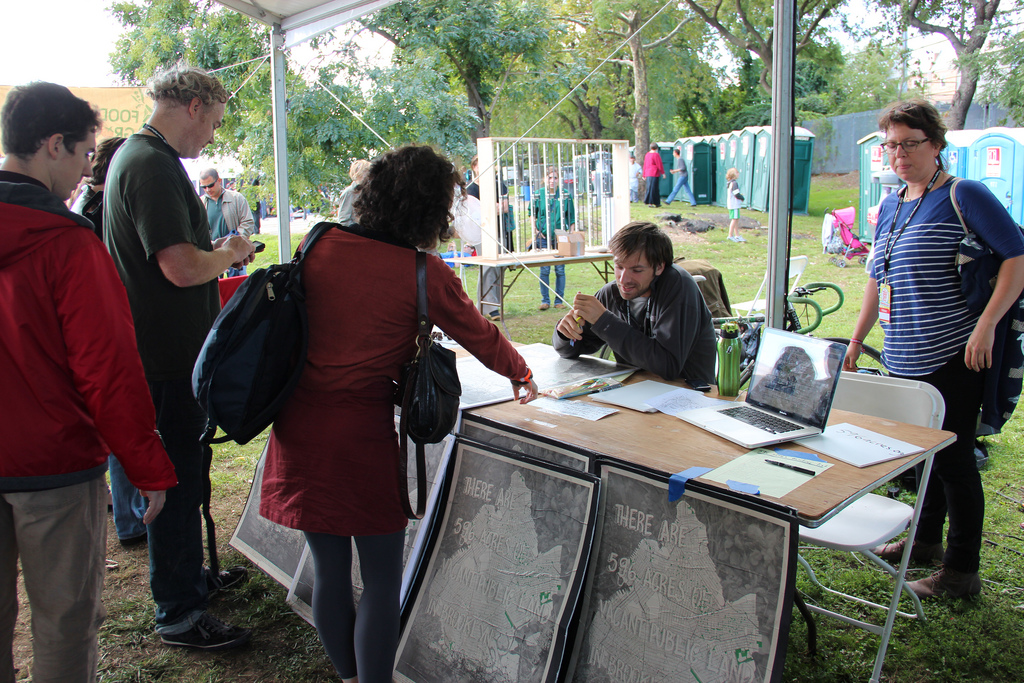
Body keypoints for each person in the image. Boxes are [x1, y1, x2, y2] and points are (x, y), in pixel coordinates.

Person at [259, 145, 538, 683]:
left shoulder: (318, 242)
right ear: (432, 209)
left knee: (330, 571)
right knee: (383, 580)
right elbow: (477, 333)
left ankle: (346, 676)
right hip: (359, 439)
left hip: (297, 427)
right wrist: (520, 372)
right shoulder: (422, 271)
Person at [1, 82, 176, 682]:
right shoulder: (69, 244)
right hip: (53, 467)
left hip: (41, 460)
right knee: (65, 624)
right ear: (53, 146)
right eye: (81, 155)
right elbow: (108, 369)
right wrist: (148, 467)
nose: (83, 172)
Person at [845, 99, 1024, 599]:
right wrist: (857, 340)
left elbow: (1016, 257)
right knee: (920, 456)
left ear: (936, 145)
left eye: (910, 143)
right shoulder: (892, 204)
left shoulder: (964, 194)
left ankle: (961, 572)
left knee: (955, 460)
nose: (899, 154)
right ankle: (924, 541)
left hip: (955, 352)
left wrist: (986, 325)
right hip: (902, 354)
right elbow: (874, 281)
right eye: (891, 145)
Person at [104, 63, 256, 650]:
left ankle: (189, 580)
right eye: (214, 122)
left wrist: (207, 252)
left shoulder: (141, 159)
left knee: (184, 478)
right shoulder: (151, 165)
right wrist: (232, 251)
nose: (212, 136)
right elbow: (179, 266)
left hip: (165, 354)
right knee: (175, 484)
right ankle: (180, 611)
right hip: (166, 360)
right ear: (193, 107)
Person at [68, 135, 150, 547]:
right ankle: (132, 518)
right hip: (111, 330)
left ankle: (130, 516)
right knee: (121, 425)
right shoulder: (93, 210)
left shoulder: (87, 204)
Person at [553, 221, 717, 384]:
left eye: (637, 270)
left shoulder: (679, 287)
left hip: (690, 397)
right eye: (619, 266)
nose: (624, 279)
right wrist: (565, 333)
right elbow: (574, 350)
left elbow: (667, 365)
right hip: (633, 394)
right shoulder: (612, 293)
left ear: (659, 267)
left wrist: (604, 322)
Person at [467, 155, 511, 321]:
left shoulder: (499, 185)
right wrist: (493, 208)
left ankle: (494, 305)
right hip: (482, 235)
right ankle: (487, 307)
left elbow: (505, 207)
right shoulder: (470, 189)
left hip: (500, 231)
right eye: (480, 165)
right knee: (487, 269)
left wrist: (490, 209)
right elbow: (475, 213)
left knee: (499, 268)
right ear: (474, 167)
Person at [531, 165, 576, 310]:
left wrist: (570, 234)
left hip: (560, 237)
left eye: (555, 178)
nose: (552, 180)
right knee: (544, 269)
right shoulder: (539, 194)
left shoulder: (565, 195)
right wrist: (536, 230)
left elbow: (571, 217)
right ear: (545, 179)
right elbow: (533, 214)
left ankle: (559, 301)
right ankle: (545, 300)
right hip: (543, 236)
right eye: (550, 177)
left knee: (560, 270)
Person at [199, 167, 255, 277]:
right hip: (213, 255)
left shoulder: (236, 198)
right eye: (203, 187)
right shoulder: (200, 203)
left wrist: (237, 239)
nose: (207, 189)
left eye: (210, 185)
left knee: (237, 287)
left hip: (235, 253)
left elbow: (248, 222)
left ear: (219, 181)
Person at [335, 158, 370, 225]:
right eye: (366, 171)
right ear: (358, 173)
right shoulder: (349, 192)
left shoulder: (367, 191)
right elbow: (344, 220)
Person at [725, 167, 745, 242]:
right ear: (734, 174)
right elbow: (736, 194)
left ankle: (737, 235)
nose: (738, 174)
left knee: (736, 219)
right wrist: (742, 197)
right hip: (734, 205)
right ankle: (730, 235)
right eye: (737, 172)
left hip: (731, 204)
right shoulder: (734, 183)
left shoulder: (730, 183)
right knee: (734, 219)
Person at [642, 142, 665, 208]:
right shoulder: (656, 155)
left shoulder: (647, 155)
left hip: (648, 173)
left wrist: (644, 174)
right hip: (654, 173)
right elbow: (659, 164)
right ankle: (652, 202)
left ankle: (651, 202)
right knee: (654, 188)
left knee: (649, 187)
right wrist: (663, 172)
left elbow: (645, 165)